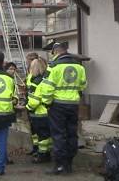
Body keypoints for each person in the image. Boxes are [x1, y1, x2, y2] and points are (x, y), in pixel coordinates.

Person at [35, 41, 86, 174]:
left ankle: (60, 166)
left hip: (57, 106)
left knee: (58, 135)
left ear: (55, 51)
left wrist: (47, 103)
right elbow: (83, 85)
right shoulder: (78, 66)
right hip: (73, 105)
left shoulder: (54, 66)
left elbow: (47, 87)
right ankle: (69, 164)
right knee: (71, 133)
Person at [26, 57, 52, 164]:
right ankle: (47, 154)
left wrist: (27, 108)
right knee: (47, 136)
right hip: (47, 112)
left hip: (38, 113)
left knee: (42, 137)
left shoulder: (35, 81)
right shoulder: (46, 79)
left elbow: (34, 101)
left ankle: (42, 156)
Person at [24, 52, 42, 156]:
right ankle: (35, 147)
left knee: (38, 129)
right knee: (33, 129)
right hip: (30, 102)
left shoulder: (38, 72)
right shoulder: (30, 72)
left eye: (28, 61)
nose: (27, 63)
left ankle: (40, 149)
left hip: (36, 105)